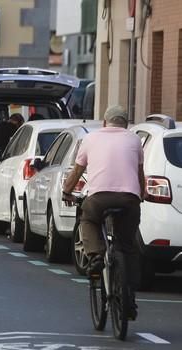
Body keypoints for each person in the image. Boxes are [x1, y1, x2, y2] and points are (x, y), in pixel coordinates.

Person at [62, 105, 144, 319]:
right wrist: (140, 195)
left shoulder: (90, 139)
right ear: (125, 124)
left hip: (98, 197)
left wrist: (66, 191)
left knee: (87, 219)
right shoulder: (134, 139)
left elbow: (77, 171)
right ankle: (130, 298)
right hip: (129, 199)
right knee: (128, 246)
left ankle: (96, 256)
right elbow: (139, 173)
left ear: (105, 122)